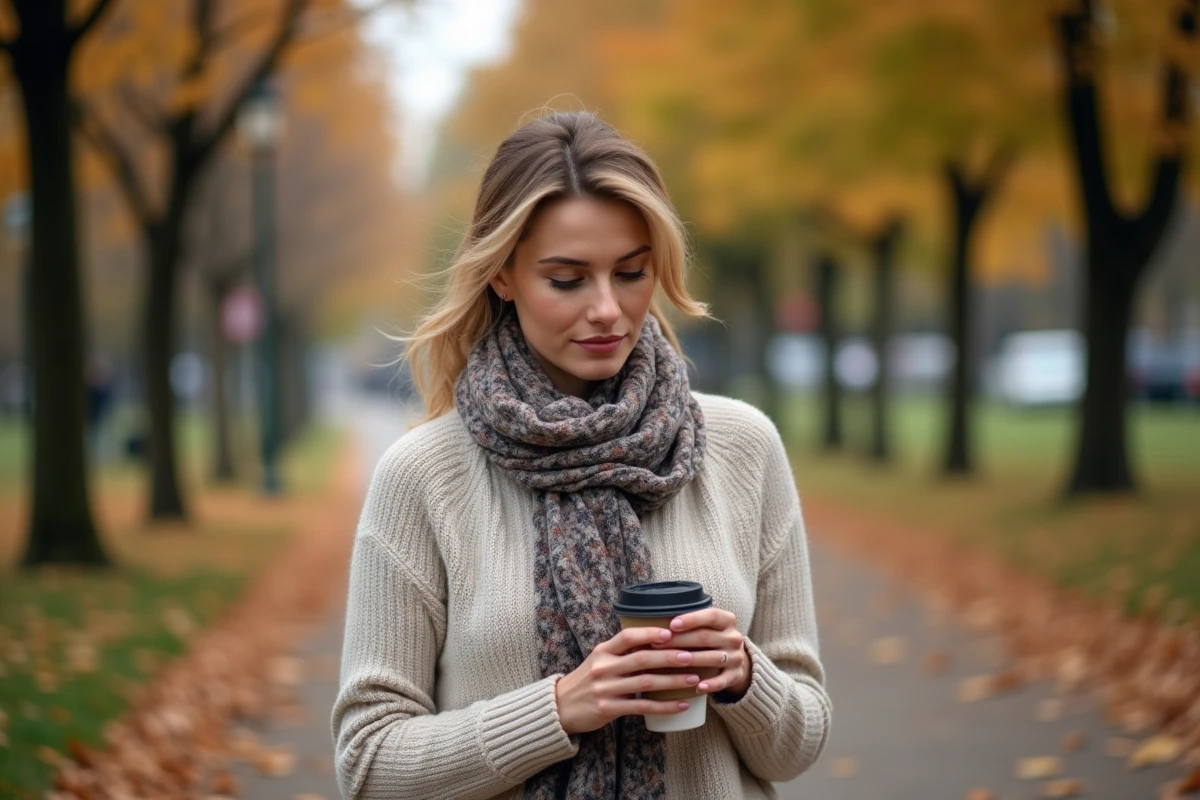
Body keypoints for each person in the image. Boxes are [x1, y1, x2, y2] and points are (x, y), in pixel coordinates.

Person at [332, 110, 831, 800]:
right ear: (503, 276)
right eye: (567, 280)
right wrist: (557, 708)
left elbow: (799, 742)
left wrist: (744, 674)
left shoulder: (742, 447)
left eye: (631, 272)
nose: (608, 309)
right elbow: (368, 762)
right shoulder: (423, 476)